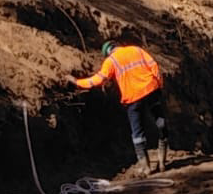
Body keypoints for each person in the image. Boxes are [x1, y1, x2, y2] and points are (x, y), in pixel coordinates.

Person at [71, 39, 167, 173]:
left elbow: (99, 79)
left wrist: (77, 82)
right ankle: (162, 161)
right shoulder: (136, 50)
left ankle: (145, 167)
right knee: (160, 122)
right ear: (118, 46)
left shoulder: (111, 61)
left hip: (133, 98)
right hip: (151, 90)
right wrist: (159, 85)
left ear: (108, 52)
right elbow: (154, 66)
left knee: (137, 132)